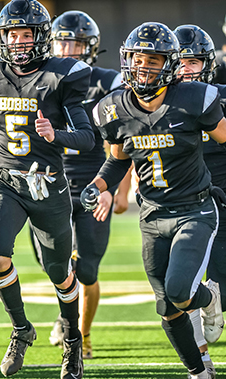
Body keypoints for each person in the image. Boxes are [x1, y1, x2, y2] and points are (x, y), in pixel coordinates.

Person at [80, 22, 226, 379]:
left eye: (154, 60)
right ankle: (198, 369)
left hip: (194, 209)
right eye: (138, 59)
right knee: (167, 305)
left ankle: (208, 300)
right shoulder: (112, 109)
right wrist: (100, 185)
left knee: (180, 289)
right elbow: (117, 160)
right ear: (126, 60)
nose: (144, 67)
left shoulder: (195, 99)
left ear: (169, 64)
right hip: (152, 216)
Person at [0, 1, 95, 378]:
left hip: (48, 185)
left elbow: (87, 137)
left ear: (40, 36)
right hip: (7, 182)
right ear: (1, 37)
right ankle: (21, 329)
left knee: (60, 272)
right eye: (12, 34)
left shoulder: (61, 75)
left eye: (26, 33)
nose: (18, 41)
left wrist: (58, 134)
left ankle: (71, 342)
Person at [31, 10, 130, 359]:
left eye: (75, 42)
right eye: (62, 41)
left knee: (86, 268)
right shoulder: (43, 77)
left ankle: (81, 334)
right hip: (49, 180)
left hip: (93, 181)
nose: (68, 48)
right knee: (53, 264)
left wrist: (119, 187)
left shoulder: (108, 82)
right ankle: (66, 315)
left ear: (91, 47)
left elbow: (124, 138)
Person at [174, 23, 226, 379]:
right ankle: (202, 362)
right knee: (180, 284)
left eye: (192, 62)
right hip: (182, 200)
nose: (185, 69)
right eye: (179, 62)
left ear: (207, 63)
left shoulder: (220, 95)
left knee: (220, 277)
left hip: (222, 195)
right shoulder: (161, 100)